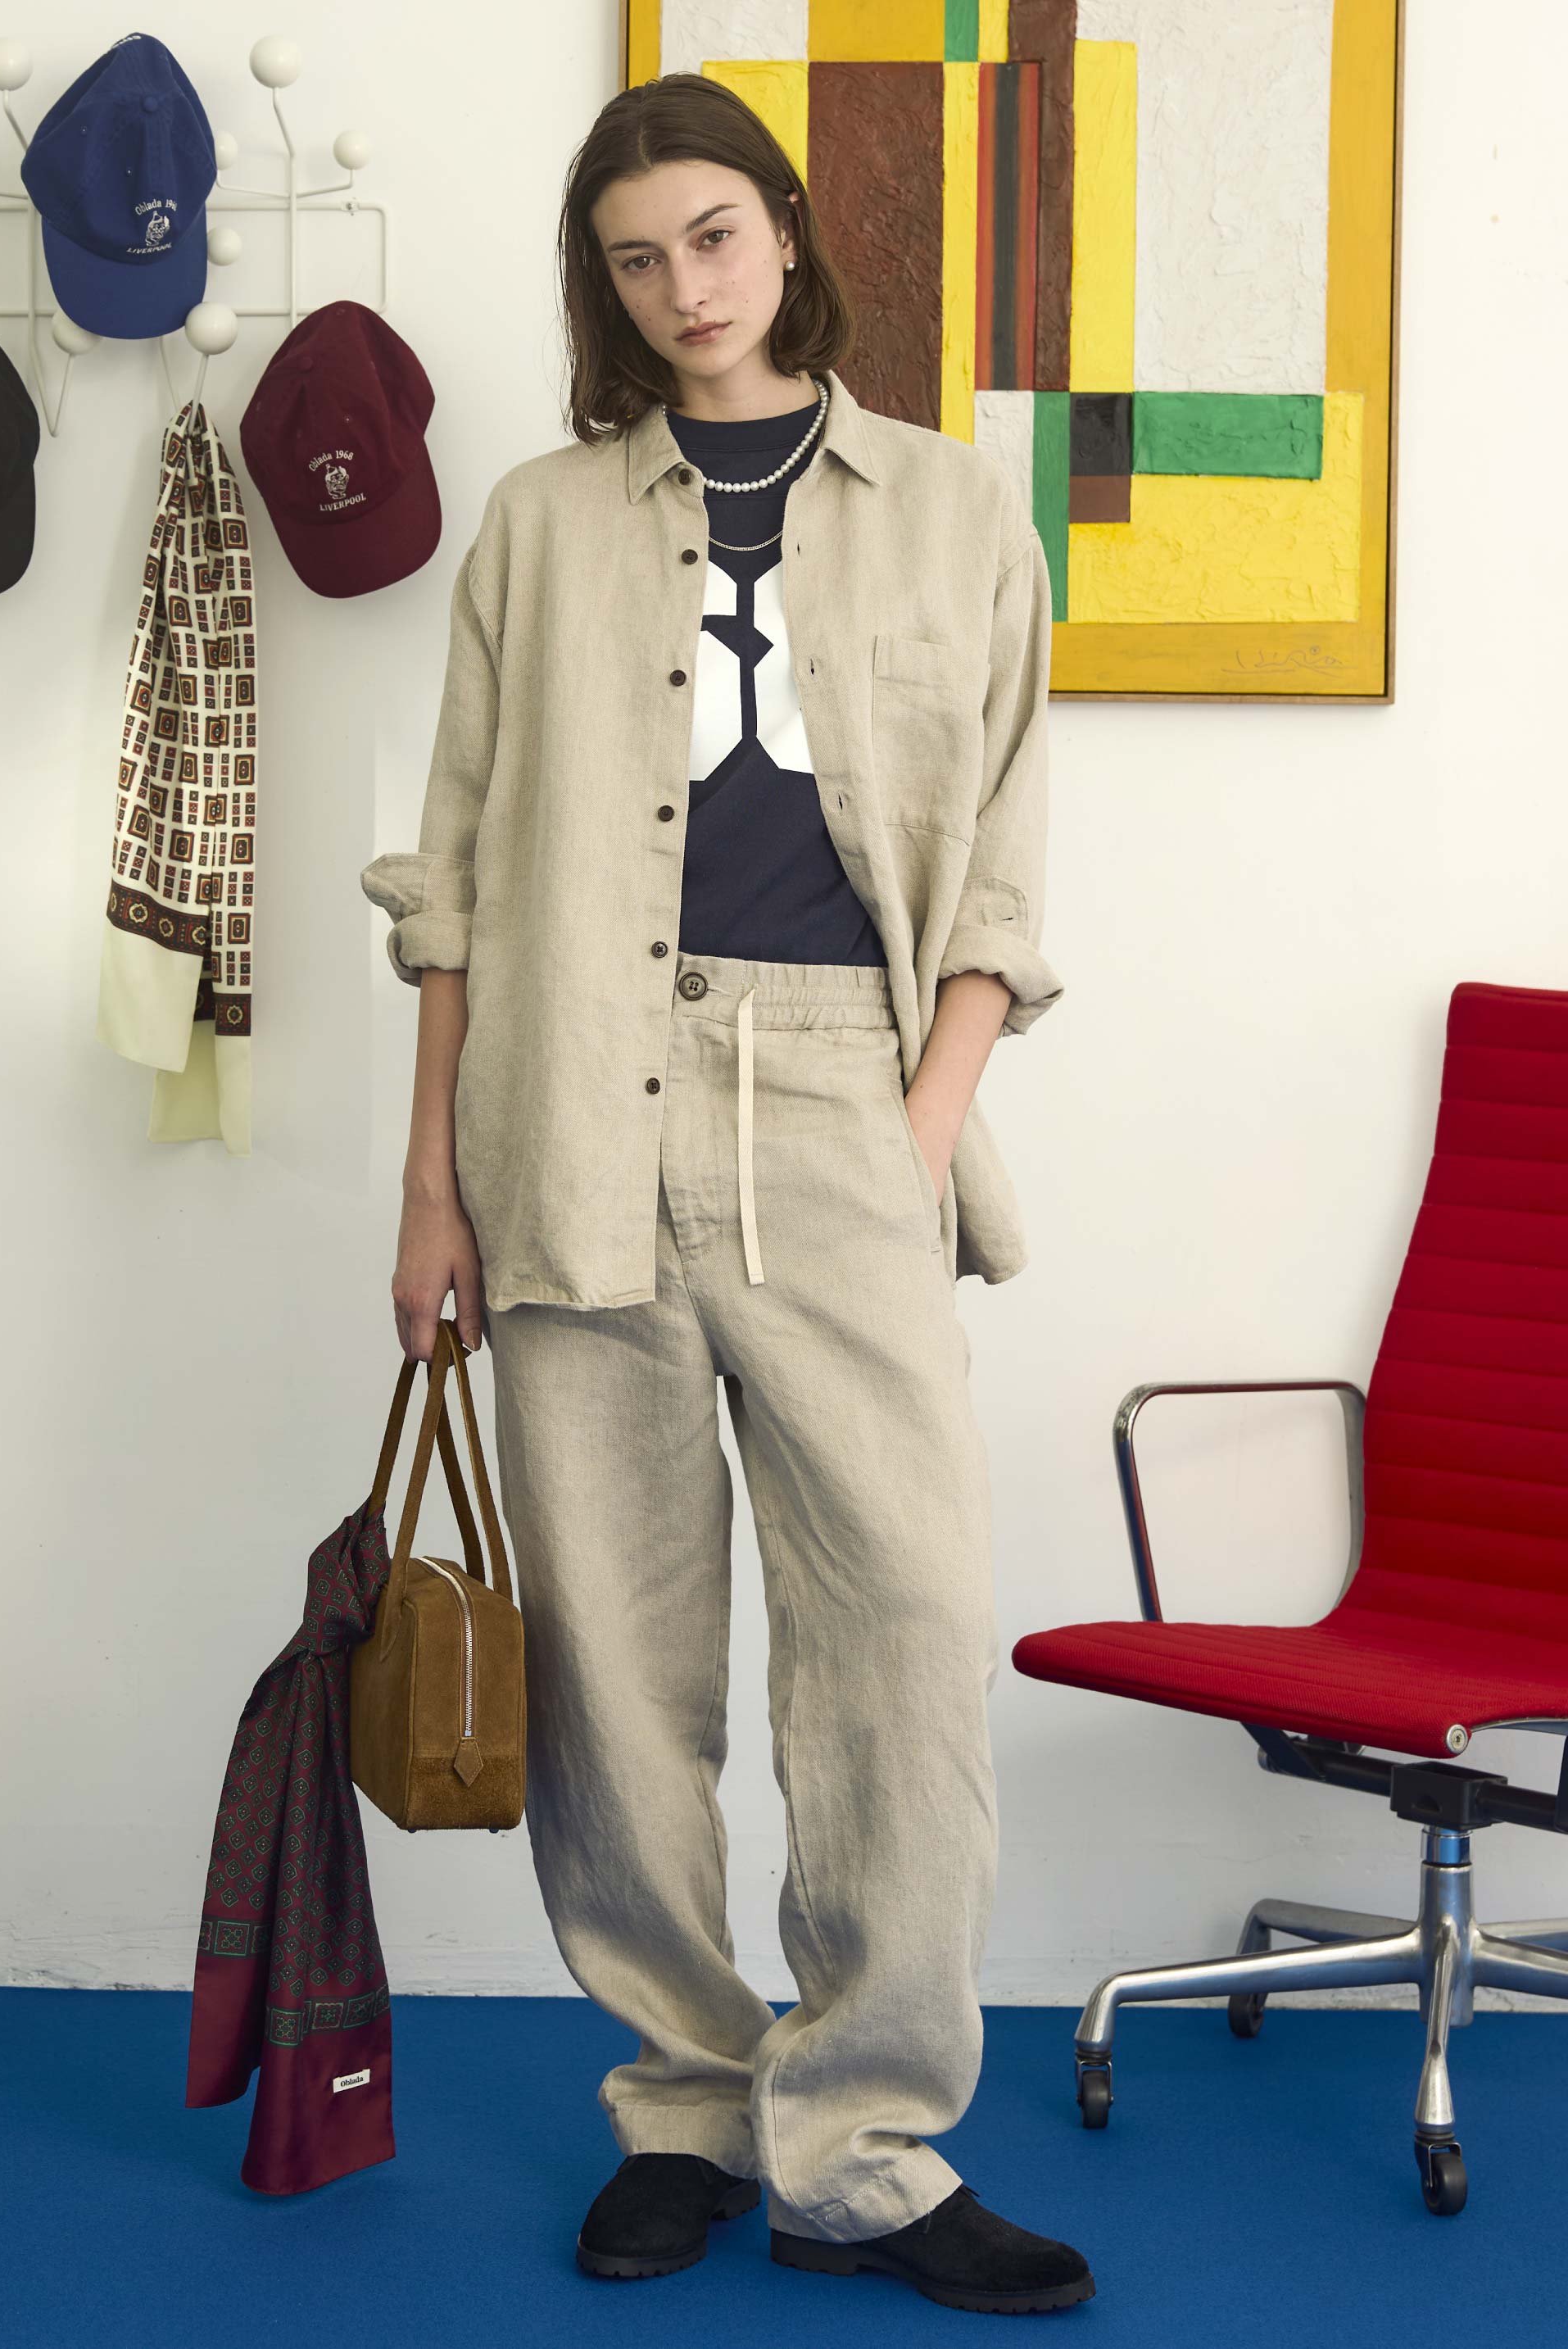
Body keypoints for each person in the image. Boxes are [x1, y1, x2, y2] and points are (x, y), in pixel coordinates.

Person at [360, 73, 1090, 2319]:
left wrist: (914, 1127)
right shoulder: (536, 526)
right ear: (605, 287)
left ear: (785, 230)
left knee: (901, 1638)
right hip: (572, 1106)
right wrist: (430, 1191)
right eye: (635, 258)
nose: (684, 287)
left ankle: (860, 2143)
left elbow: (1000, 865)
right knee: (615, 1664)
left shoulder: (956, 510)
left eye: (713, 235)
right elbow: (452, 887)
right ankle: (681, 2104)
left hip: (846, 1102)